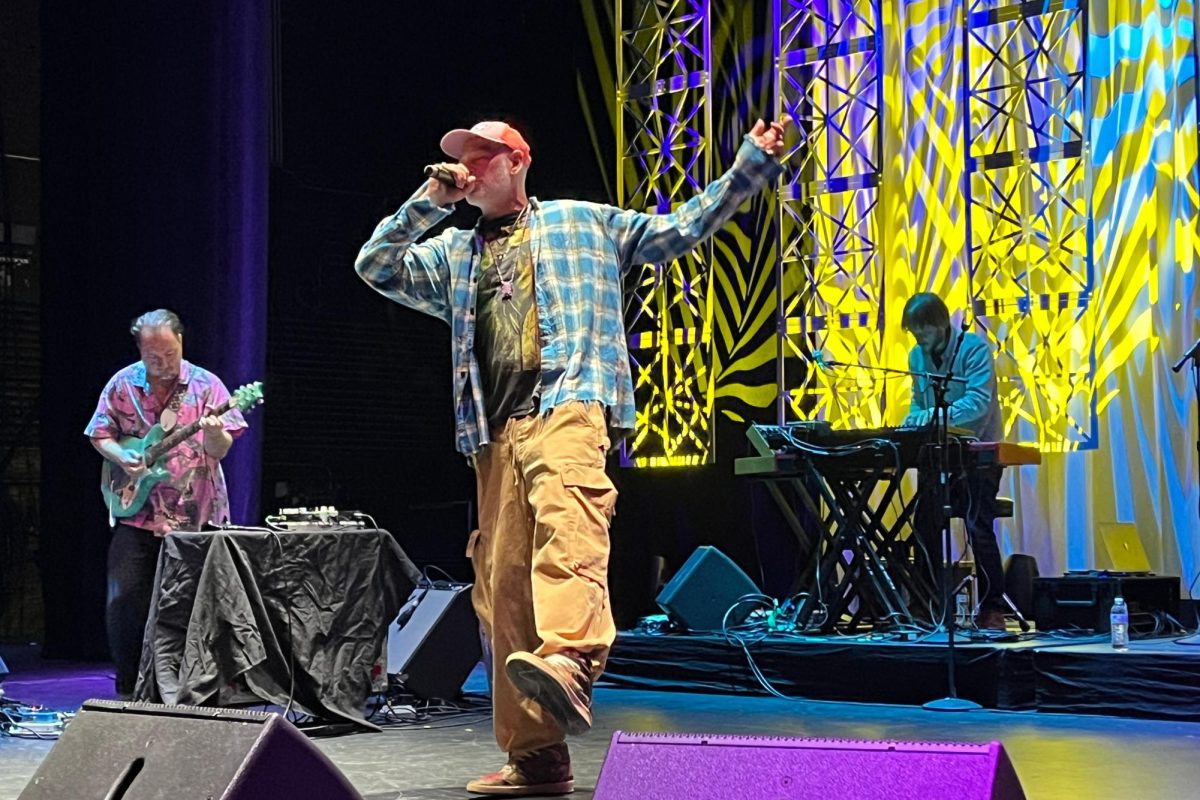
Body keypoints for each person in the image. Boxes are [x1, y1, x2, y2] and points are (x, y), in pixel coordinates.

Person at [356, 115, 789, 795]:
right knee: (500, 594)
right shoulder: (453, 253)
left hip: (569, 403)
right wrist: (426, 208)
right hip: (494, 434)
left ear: (518, 160)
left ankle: (570, 660)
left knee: (569, 529)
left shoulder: (584, 222)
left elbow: (680, 230)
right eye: (460, 158)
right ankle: (537, 759)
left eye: (482, 154)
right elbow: (375, 266)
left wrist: (749, 166)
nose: (468, 166)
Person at [85, 309, 248, 697]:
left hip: (197, 516)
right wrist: (120, 456)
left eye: (170, 355)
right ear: (140, 349)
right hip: (137, 512)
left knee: (196, 605)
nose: (162, 365)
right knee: (125, 600)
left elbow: (221, 448)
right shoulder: (122, 384)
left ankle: (195, 688)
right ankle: (128, 687)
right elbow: (98, 434)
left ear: (181, 342)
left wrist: (212, 434)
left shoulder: (207, 386)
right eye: (153, 357)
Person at [900, 292, 1007, 631]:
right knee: (924, 524)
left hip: (978, 453)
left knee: (978, 525)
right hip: (939, 451)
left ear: (941, 324)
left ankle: (992, 608)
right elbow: (918, 401)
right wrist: (913, 420)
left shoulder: (973, 349)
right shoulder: (916, 356)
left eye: (923, 331)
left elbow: (978, 403)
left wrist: (929, 416)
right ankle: (926, 604)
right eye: (915, 333)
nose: (919, 339)